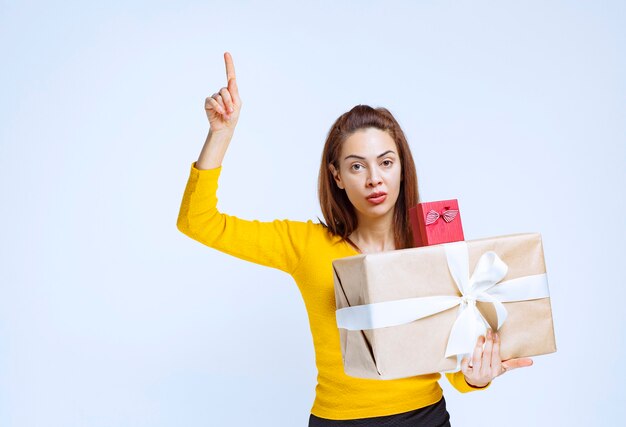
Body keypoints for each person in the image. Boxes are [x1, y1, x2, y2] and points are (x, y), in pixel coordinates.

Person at [176, 51, 534, 426]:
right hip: (339, 420)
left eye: (385, 162)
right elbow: (197, 222)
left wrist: (476, 377)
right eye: (357, 166)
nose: (374, 179)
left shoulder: (434, 242)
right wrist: (220, 135)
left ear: (401, 168)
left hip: (426, 417)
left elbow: (456, 367)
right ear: (337, 176)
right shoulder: (304, 244)